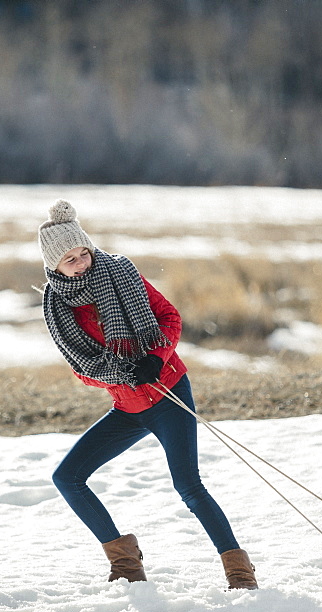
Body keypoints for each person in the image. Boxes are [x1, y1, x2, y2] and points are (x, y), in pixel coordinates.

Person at [37, 199, 257, 590]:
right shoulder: (56, 307)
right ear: (53, 266)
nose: (82, 263)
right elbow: (82, 368)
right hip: (128, 406)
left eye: (84, 252)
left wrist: (154, 358)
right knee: (67, 477)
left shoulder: (119, 271)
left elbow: (169, 317)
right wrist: (118, 374)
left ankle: (239, 572)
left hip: (168, 390)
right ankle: (125, 563)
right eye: (70, 259)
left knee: (188, 486)